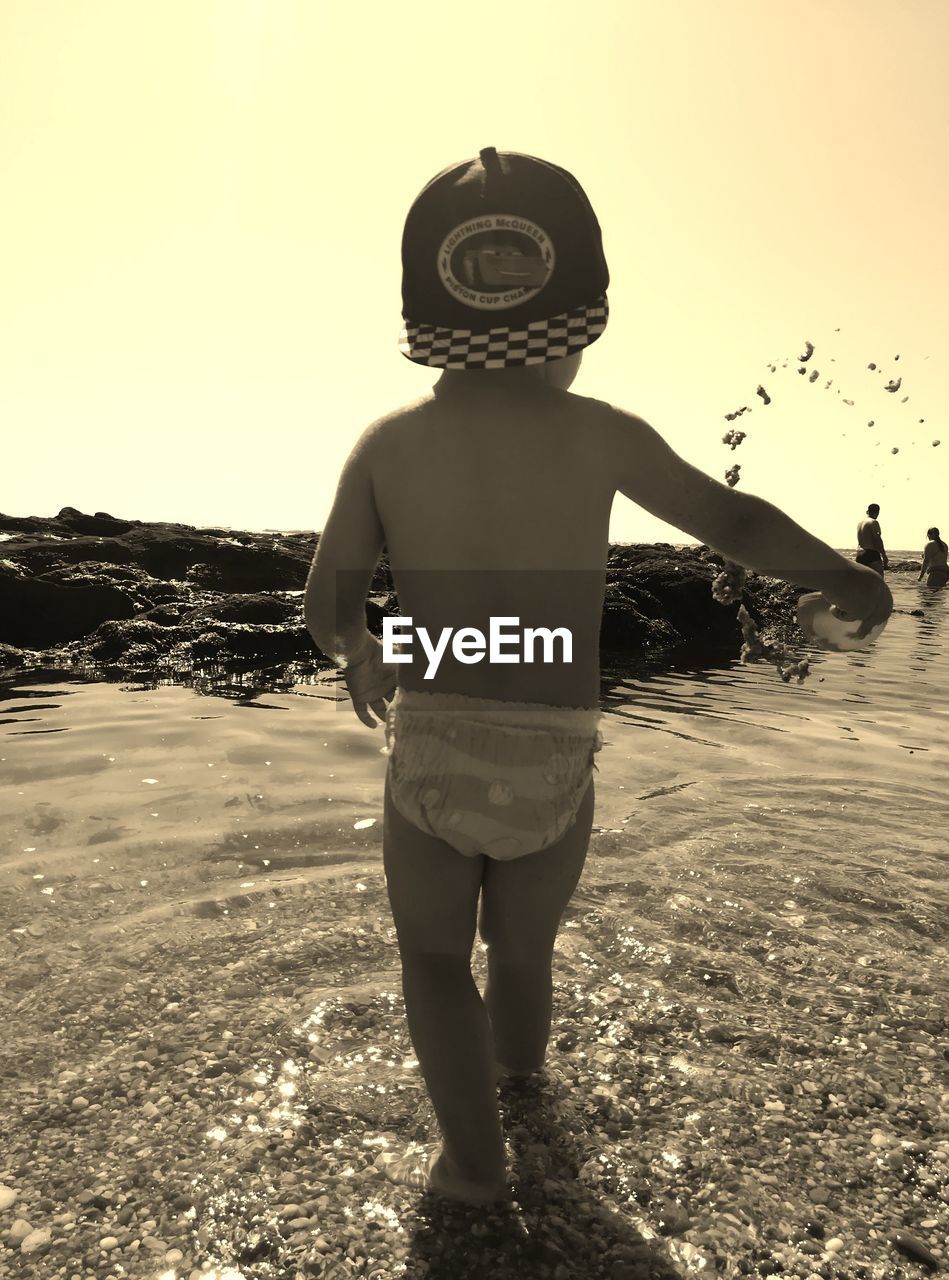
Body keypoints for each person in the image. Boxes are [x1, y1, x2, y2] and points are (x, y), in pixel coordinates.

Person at [302, 147, 893, 1206]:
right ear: (577, 325)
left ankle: (474, 1163)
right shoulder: (601, 434)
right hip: (555, 750)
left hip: (435, 732)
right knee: (522, 955)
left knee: (435, 960)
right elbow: (733, 520)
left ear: (424, 324)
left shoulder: (391, 444)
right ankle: (522, 1095)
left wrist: (365, 646)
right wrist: (842, 573)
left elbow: (324, 604)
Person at [856, 503, 889, 574]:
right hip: (871, 553)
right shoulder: (873, 522)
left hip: (860, 554)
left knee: (863, 581)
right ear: (877, 512)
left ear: (867, 511)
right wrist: (884, 555)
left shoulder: (860, 523)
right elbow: (877, 539)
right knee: (878, 580)